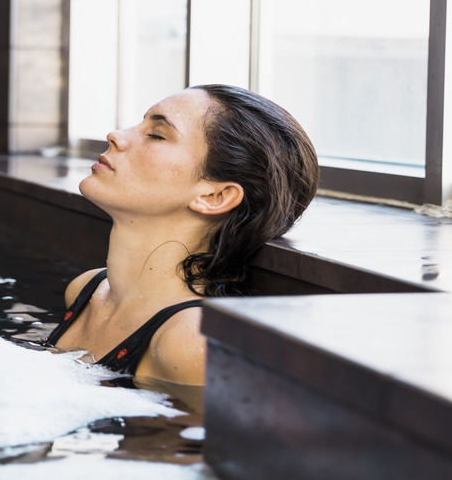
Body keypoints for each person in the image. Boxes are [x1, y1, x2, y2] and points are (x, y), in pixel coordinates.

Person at [45, 84, 319, 388]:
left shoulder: (190, 341)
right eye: (141, 123)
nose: (116, 135)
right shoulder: (87, 292)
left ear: (215, 196)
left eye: (157, 135)